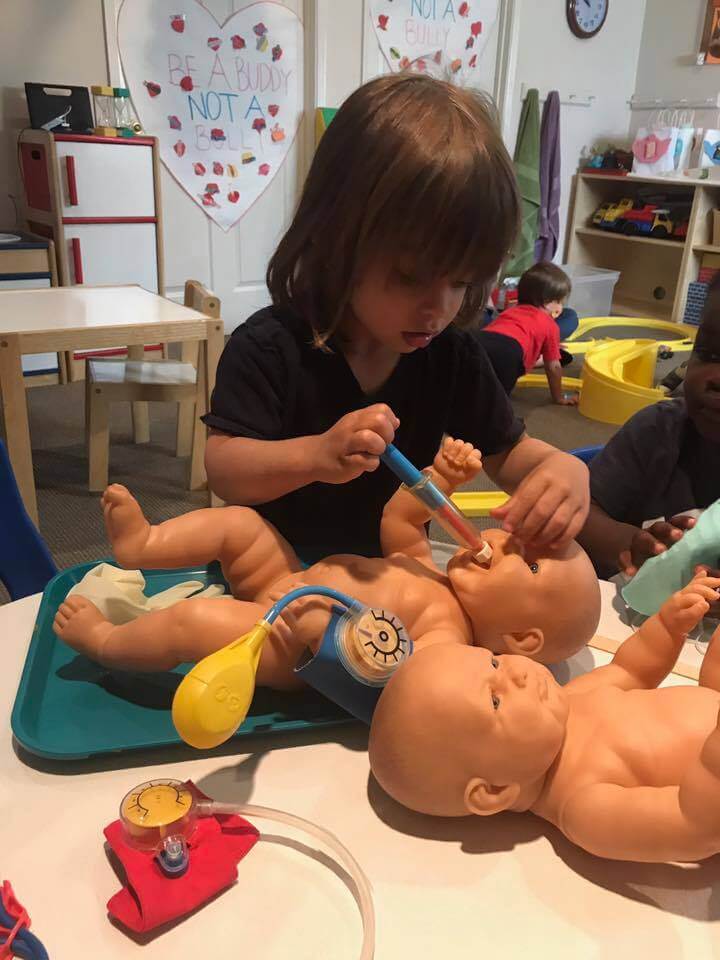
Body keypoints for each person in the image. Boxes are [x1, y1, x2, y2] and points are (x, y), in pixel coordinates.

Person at [201, 74, 590, 564]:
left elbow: (508, 453)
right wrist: (316, 455)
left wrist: (563, 469)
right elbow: (225, 469)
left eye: (463, 282)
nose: (439, 308)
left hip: (394, 576)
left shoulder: (453, 355)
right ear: (335, 238)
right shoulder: (267, 346)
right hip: (272, 574)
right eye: (410, 277)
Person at [52, 439, 601, 688]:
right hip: (288, 580)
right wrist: (440, 480)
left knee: (190, 625)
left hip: (283, 641)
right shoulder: (433, 573)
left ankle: (105, 642)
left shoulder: (448, 642)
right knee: (241, 523)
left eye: (525, 563)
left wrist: (327, 638)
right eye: (514, 537)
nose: (500, 541)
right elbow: (399, 522)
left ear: (523, 639)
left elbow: (390, 690)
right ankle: (144, 545)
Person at [369, 573, 720, 864]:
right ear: (494, 791)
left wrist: (667, 626)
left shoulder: (571, 698)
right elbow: (694, 825)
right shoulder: (584, 808)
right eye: (495, 700)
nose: (517, 673)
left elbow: (631, 669)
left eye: (494, 661)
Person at [578, 274, 720, 581]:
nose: (715, 378)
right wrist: (629, 545)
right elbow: (581, 512)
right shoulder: (658, 429)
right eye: (709, 354)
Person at [476, 261, 577, 404]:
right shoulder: (550, 325)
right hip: (508, 352)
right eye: (560, 302)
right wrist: (559, 397)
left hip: (479, 341)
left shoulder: (511, 311)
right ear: (548, 302)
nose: (561, 307)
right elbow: (553, 366)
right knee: (496, 403)